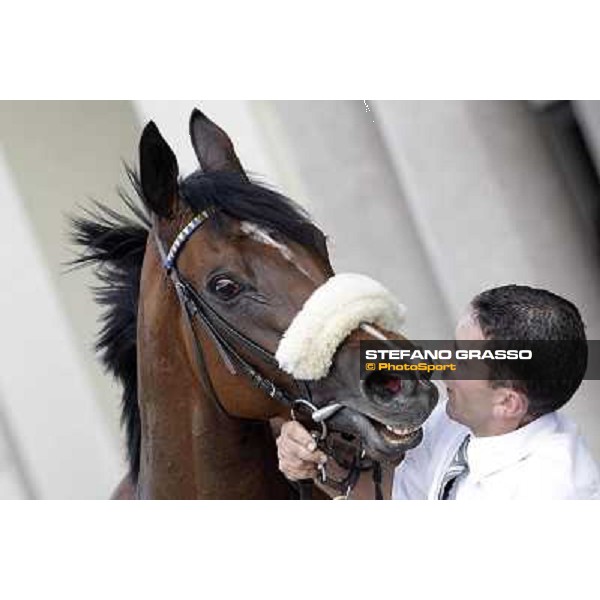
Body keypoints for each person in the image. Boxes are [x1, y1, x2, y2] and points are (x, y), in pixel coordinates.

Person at [276, 285, 600, 499]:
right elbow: (395, 499)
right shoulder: (455, 423)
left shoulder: (554, 494)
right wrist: (314, 462)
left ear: (507, 402)